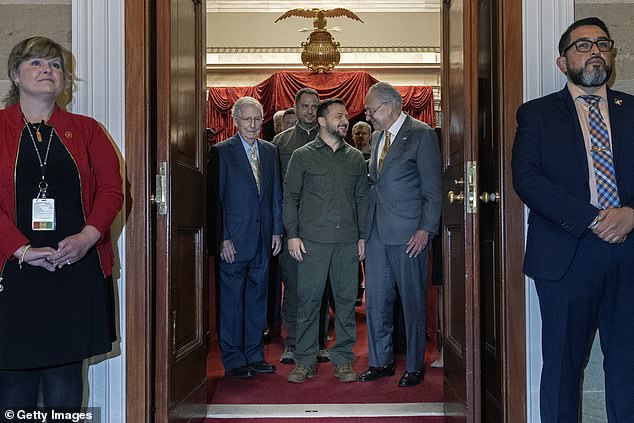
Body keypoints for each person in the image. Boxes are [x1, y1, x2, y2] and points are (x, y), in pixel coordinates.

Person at [512, 17, 634, 422]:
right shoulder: (537, 114)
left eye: (602, 43)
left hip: (630, 252)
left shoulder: (632, 109)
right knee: (563, 366)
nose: (595, 50)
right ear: (562, 62)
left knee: (628, 365)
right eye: (582, 45)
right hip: (567, 254)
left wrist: (630, 216)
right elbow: (527, 179)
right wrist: (594, 218)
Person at [0, 36, 123, 410]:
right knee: (13, 379)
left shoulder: (88, 130)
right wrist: (20, 249)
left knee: (67, 379)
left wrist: (87, 238)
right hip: (14, 271)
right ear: (16, 76)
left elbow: (113, 190)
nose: (47, 70)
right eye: (36, 63)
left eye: (55, 65)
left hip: (76, 268)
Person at [360, 81, 441, 388]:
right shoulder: (379, 136)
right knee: (376, 301)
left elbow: (433, 190)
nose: (368, 116)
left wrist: (426, 229)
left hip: (410, 235)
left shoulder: (421, 134)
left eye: (371, 110)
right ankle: (380, 362)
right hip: (377, 232)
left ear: (389, 107)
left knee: (413, 303)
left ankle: (414, 365)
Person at [283, 98, 368, 383]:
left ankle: (343, 361)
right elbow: (290, 197)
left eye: (345, 116)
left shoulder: (355, 157)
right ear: (321, 121)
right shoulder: (302, 156)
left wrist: (363, 236)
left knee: (345, 303)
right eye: (338, 116)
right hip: (312, 243)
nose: (344, 120)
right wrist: (292, 235)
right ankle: (304, 361)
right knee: (308, 303)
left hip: (346, 242)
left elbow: (362, 199)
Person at [209, 96, 283, 379]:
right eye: (247, 119)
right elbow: (217, 201)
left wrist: (277, 229)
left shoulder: (269, 151)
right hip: (234, 242)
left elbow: (275, 194)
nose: (253, 125)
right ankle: (234, 359)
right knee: (231, 303)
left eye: (257, 119)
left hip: (264, 239)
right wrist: (223, 238)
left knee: (257, 300)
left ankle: (254, 354)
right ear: (235, 121)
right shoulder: (221, 151)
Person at [271, 87, 321, 364]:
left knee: (319, 287)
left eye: (315, 107)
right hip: (292, 227)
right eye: (305, 107)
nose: (310, 112)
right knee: (292, 287)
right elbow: (275, 191)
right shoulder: (280, 142)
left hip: (323, 227)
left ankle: (316, 342)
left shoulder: (331, 138)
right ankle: (291, 343)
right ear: (296, 107)